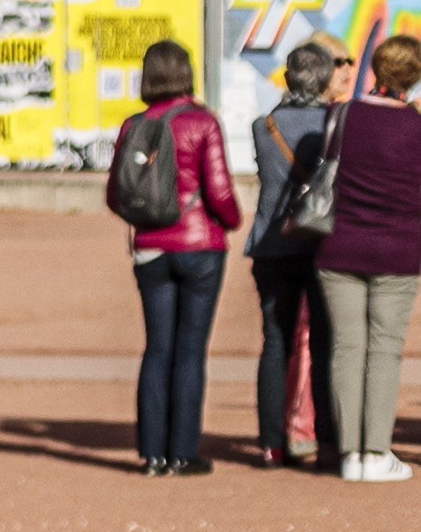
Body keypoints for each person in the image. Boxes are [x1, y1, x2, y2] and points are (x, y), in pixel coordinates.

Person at [123, 40, 245, 476]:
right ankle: (183, 453)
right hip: (199, 246)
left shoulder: (134, 123)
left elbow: (116, 192)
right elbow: (220, 191)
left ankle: (153, 454)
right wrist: (231, 220)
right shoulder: (201, 121)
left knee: (157, 348)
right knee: (190, 352)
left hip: (150, 247)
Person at [314, 31, 421, 483]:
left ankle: (351, 453)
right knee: (384, 350)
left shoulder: (341, 114)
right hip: (398, 249)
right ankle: (376, 451)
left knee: (346, 347)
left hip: (338, 245)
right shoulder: (417, 126)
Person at [248, 44, 344, 470]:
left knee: (275, 341)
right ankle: (326, 441)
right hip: (319, 242)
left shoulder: (262, 125)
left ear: (287, 79)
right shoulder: (333, 125)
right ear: (325, 80)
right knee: (323, 344)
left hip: (271, 242)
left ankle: (271, 443)